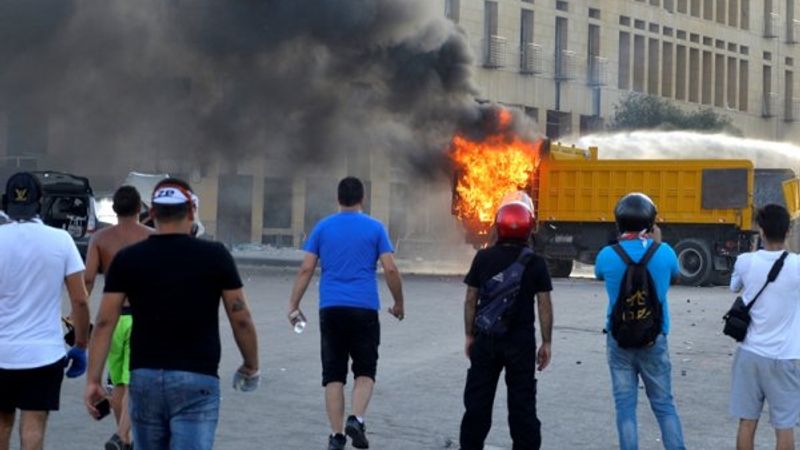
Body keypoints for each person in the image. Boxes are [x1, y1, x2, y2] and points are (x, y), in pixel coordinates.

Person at [84, 178, 260, 450]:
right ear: (191, 211)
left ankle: (122, 435)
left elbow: (106, 322)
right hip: (197, 379)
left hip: (145, 378)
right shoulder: (215, 255)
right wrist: (251, 364)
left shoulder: (128, 258)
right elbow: (241, 317)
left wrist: (94, 380)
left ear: (152, 213)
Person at [287, 176, 405, 450]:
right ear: (362, 198)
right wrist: (399, 303)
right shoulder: (375, 228)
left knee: (333, 375)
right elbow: (390, 269)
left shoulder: (323, 228)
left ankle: (337, 435)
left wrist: (293, 304)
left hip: (331, 309)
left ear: (338, 198)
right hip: (364, 309)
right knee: (365, 370)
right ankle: (358, 418)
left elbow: (306, 269)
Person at [0, 172, 91, 450]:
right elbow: (81, 301)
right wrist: (81, 344)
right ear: (41, 201)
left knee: (2, 425)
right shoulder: (61, 240)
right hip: (43, 354)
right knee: (34, 426)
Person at [459, 193, 553, 450]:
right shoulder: (536, 262)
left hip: (486, 340)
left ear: (499, 225)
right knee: (522, 407)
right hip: (520, 344)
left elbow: (470, 299)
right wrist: (547, 342)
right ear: (528, 226)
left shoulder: (483, 258)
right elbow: (544, 304)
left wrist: (469, 335)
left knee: (477, 405)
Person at [595, 193, 686, 450]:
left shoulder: (607, 255)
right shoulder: (664, 253)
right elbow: (675, 277)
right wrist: (655, 243)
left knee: (625, 408)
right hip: (654, 339)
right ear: (651, 222)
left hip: (619, 340)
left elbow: (601, 274)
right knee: (664, 406)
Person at [84, 186, 153, 450]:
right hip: (142, 318)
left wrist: (77, 313)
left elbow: (88, 280)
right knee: (135, 380)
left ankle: (122, 438)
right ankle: (123, 437)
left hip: (112, 319)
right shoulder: (152, 237)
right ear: (139, 209)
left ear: (114, 210)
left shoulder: (100, 239)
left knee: (118, 383)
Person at [729, 204, 800, 450]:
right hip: (786, 357)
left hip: (750, 354)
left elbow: (734, 287)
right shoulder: (797, 266)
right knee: (784, 427)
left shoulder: (745, 262)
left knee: (747, 423)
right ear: (788, 230)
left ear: (760, 230)